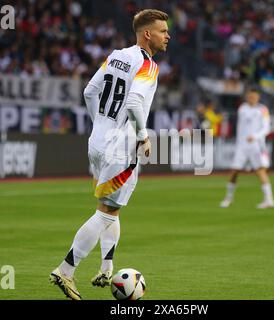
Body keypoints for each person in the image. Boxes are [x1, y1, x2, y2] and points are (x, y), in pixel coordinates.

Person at [49, 9, 170, 300]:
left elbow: (90, 91)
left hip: (98, 140)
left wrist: (101, 125)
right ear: (147, 34)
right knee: (106, 212)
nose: (168, 36)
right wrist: (142, 135)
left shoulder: (116, 55)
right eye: (163, 31)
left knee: (111, 208)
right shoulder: (147, 64)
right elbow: (133, 100)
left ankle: (106, 267)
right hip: (122, 145)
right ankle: (65, 270)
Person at [220, 88, 274, 209]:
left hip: (256, 145)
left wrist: (255, 136)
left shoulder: (263, 110)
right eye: (250, 97)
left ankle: (269, 199)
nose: (252, 99)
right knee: (234, 171)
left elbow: (266, 129)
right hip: (242, 145)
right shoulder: (242, 108)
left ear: (258, 97)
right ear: (247, 97)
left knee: (260, 171)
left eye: (254, 97)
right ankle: (228, 197)